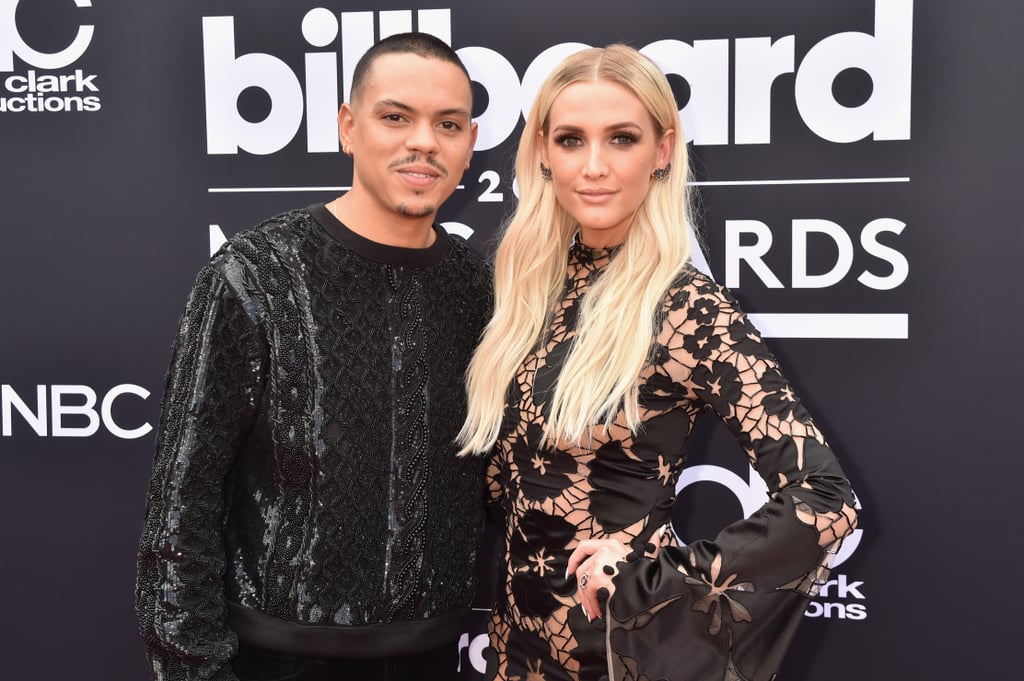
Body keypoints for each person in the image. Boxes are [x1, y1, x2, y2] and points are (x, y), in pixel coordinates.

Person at [457, 44, 858, 681]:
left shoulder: (686, 307)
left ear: (662, 151)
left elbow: (828, 500)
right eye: (570, 139)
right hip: (512, 656)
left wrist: (662, 573)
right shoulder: (525, 296)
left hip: (621, 653)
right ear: (541, 151)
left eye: (621, 138)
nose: (594, 167)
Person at [136, 33, 491, 681]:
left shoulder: (482, 289)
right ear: (348, 127)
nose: (424, 142)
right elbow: (182, 500)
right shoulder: (254, 274)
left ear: (470, 142)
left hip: (438, 656)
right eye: (395, 117)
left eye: (448, 123)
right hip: (275, 661)